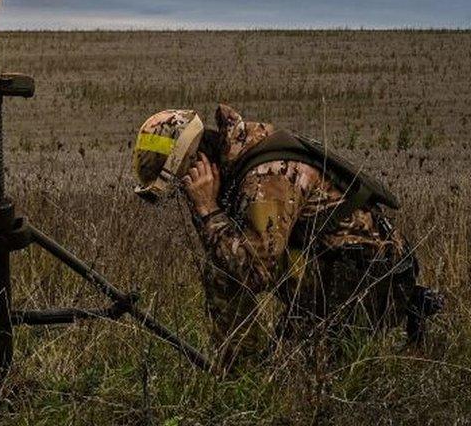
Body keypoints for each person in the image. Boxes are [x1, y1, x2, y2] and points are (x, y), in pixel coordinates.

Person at [132, 105, 441, 370]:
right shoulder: (242, 160)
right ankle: (269, 362)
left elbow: (252, 273)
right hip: (340, 274)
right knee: (281, 355)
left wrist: (207, 210)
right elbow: (232, 253)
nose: (184, 195)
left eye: (182, 186)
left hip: (370, 285)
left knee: (228, 282)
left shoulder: (267, 178)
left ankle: (244, 380)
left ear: (198, 165)